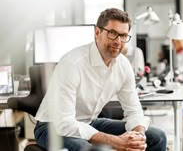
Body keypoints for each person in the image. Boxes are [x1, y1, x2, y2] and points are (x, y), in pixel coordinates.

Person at [34, 8, 166, 151]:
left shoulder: (123, 65)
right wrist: (115, 141)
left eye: (123, 36)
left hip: (89, 123)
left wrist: (138, 136)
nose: (118, 41)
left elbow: (134, 111)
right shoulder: (72, 63)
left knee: (157, 137)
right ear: (97, 33)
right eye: (112, 33)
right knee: (98, 150)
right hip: (52, 127)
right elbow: (65, 124)